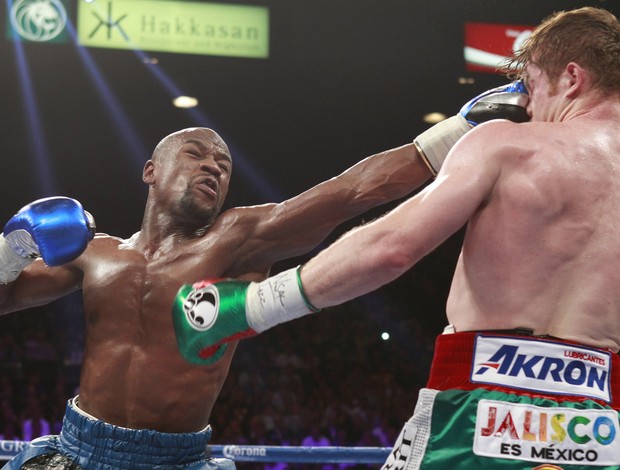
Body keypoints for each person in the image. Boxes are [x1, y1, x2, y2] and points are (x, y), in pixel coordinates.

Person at [176, 6, 620, 469]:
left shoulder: (507, 145)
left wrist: (249, 307)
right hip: (600, 426)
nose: (527, 106)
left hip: (480, 412)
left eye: (530, 86)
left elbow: (390, 248)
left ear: (571, 77)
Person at [0, 82, 528, 469]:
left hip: (173, 459)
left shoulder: (238, 238)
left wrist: (455, 132)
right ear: (151, 171)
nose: (213, 166)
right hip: (76, 447)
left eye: (224, 164)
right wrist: (13, 249)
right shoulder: (95, 254)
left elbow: (349, 192)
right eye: (195, 154)